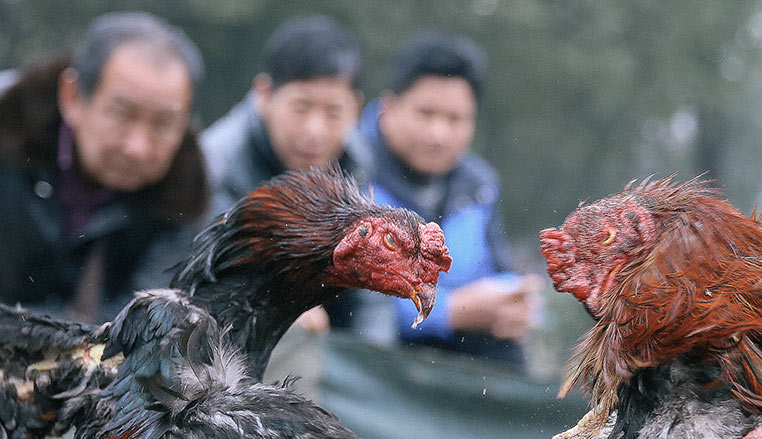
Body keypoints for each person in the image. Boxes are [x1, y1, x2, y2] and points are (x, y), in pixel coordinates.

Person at [0, 12, 207, 323]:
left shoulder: (190, 195)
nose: (137, 147)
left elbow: (148, 319)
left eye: (163, 125)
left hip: (94, 363)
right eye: (122, 114)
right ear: (72, 97)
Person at [201, 16, 369, 394]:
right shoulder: (216, 164)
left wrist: (375, 365)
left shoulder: (356, 164)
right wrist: (281, 305)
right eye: (301, 107)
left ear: (356, 109)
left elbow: (368, 300)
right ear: (264, 95)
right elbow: (212, 280)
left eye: (333, 112)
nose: (315, 130)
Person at [358, 32, 539, 369]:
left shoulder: (480, 185)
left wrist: (516, 304)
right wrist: (450, 311)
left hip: (454, 351)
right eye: (425, 114)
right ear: (389, 107)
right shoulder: (350, 170)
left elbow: (500, 271)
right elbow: (348, 301)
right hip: (373, 354)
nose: (438, 134)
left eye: (456, 119)